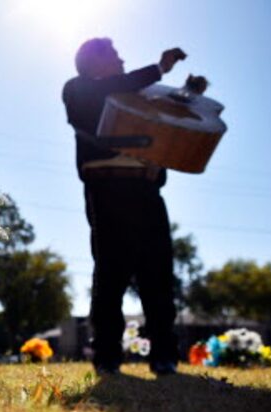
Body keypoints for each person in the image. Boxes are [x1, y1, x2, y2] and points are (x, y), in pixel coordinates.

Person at [62, 38, 186, 376]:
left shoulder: (136, 93)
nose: (122, 60)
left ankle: (164, 354)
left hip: (146, 190)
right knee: (111, 273)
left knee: (158, 273)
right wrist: (158, 69)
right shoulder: (77, 89)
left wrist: (188, 94)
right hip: (107, 190)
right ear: (93, 62)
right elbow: (118, 85)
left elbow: (170, 121)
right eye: (115, 56)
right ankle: (107, 357)